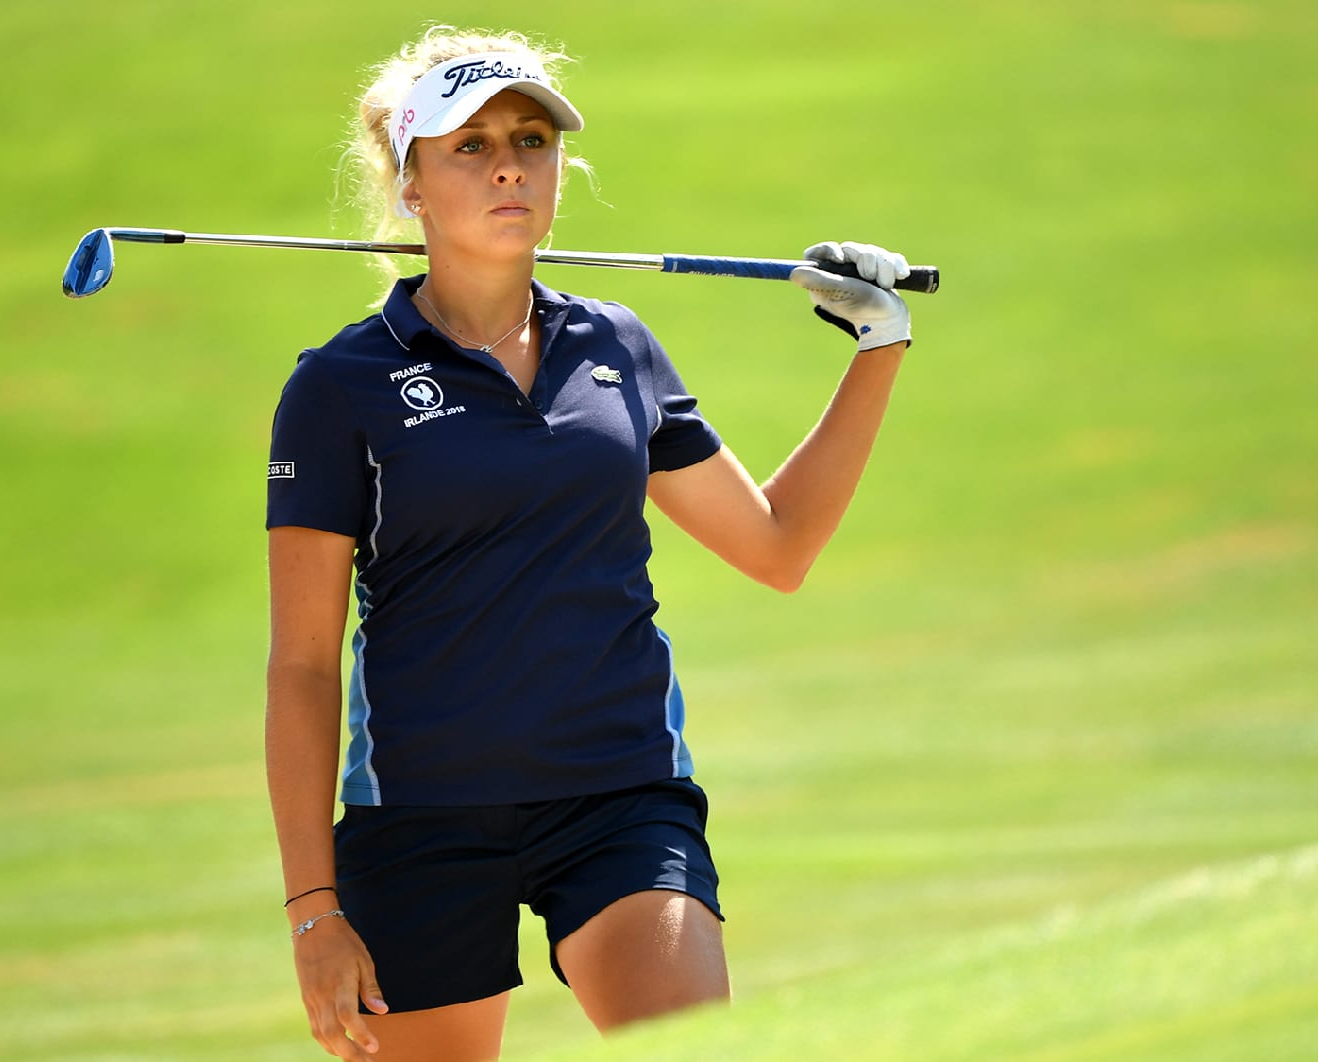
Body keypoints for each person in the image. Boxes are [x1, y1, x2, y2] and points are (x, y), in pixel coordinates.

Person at [264, 26, 914, 1062]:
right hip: (419, 813)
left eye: (531, 139)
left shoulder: (615, 345)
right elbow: (302, 665)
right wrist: (313, 911)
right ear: (410, 185)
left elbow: (778, 546)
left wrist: (878, 347)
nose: (510, 165)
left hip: (619, 795)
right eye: (470, 146)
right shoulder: (340, 386)